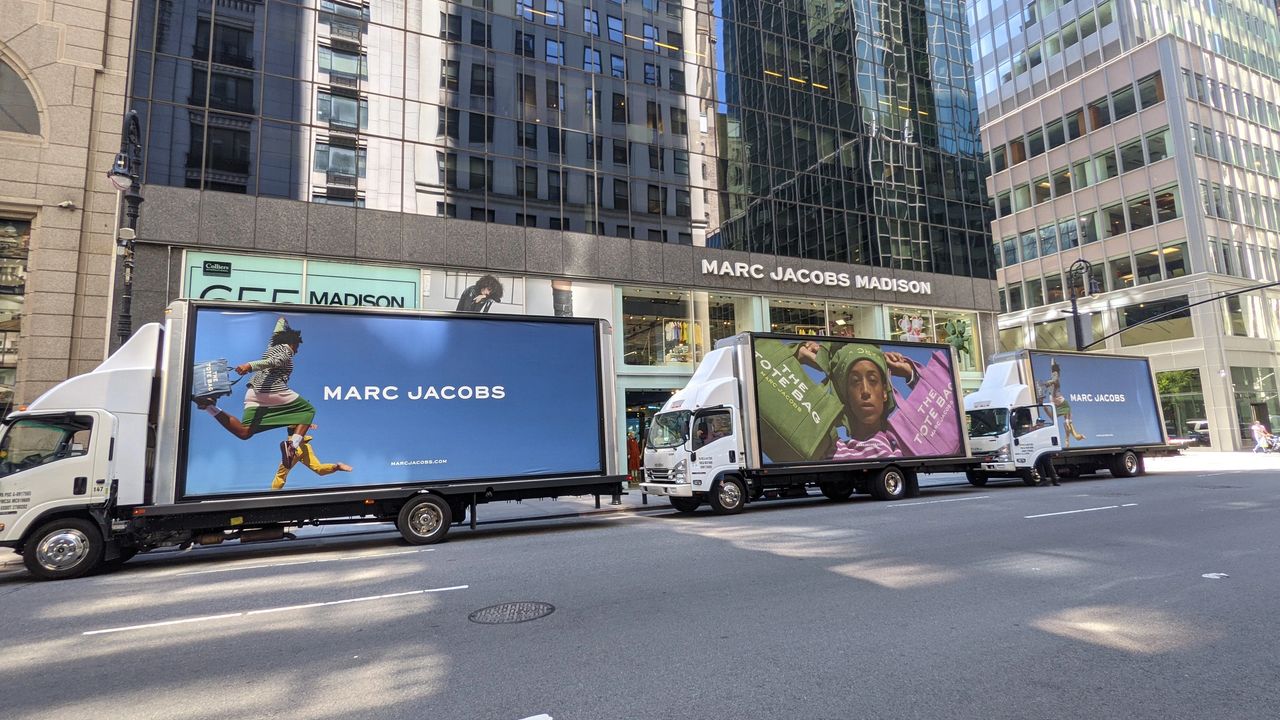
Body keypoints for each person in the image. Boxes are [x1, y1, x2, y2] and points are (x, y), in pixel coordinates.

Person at [194, 316, 351, 490]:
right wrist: (249, 365)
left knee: (245, 432)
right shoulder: (285, 350)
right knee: (308, 410)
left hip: (253, 393)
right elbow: (274, 362)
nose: (296, 351)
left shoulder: (273, 344)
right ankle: (292, 447)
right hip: (270, 388)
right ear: (291, 343)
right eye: (297, 346)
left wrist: (282, 320)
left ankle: (209, 406)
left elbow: (277, 331)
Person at [826, 343, 960, 460]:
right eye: (855, 382)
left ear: (884, 392)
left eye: (873, 380)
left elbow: (951, 403)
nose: (865, 390)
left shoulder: (903, 441)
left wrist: (909, 371)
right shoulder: (835, 451)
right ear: (846, 396)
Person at [1039, 358, 1085, 447]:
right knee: (1062, 420)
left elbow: (1055, 380)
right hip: (1057, 405)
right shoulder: (1051, 384)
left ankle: (1069, 437)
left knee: (1067, 422)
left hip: (1063, 404)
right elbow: (1053, 377)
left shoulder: (1055, 381)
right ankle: (1074, 436)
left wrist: (1050, 381)